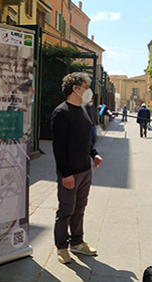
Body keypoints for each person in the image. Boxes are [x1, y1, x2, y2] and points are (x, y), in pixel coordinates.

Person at [51, 72, 103, 264]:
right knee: (66, 210)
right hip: (70, 172)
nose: (89, 90)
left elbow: (85, 139)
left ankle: (77, 242)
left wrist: (94, 154)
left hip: (85, 170)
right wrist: (65, 174)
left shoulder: (83, 110)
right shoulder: (61, 113)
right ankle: (62, 247)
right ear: (76, 88)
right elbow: (59, 146)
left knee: (80, 208)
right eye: (86, 86)